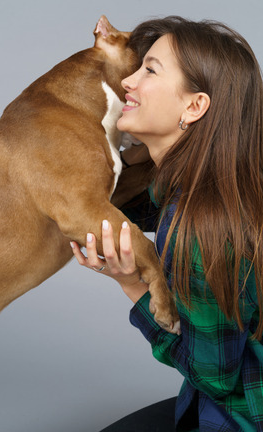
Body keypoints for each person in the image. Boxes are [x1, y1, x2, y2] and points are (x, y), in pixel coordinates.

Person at [70, 16, 263, 432]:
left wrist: (133, 285)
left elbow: (215, 379)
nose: (127, 81)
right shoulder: (198, 188)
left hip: (240, 415)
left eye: (149, 70)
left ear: (194, 107)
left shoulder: (204, 226)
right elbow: (115, 205)